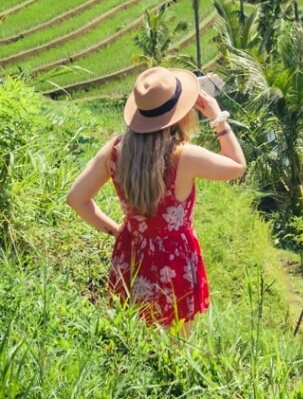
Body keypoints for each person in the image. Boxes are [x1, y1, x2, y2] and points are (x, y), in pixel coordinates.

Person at [67, 66, 246, 334]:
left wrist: (117, 230)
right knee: (175, 344)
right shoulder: (183, 156)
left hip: (131, 253)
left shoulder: (115, 150)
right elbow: (237, 165)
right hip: (174, 261)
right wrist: (217, 117)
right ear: (179, 113)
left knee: (134, 337)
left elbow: (76, 198)